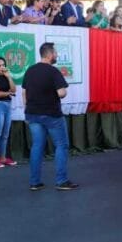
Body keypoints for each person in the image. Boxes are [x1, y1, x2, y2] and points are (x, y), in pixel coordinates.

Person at [22, 42, 78, 191]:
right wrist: (62, 92)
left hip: (33, 113)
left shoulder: (30, 70)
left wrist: (27, 110)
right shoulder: (53, 71)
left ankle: (35, 182)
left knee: (37, 146)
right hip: (52, 114)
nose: (57, 55)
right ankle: (61, 181)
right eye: (55, 53)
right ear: (50, 54)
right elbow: (61, 93)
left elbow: (24, 93)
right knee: (61, 145)